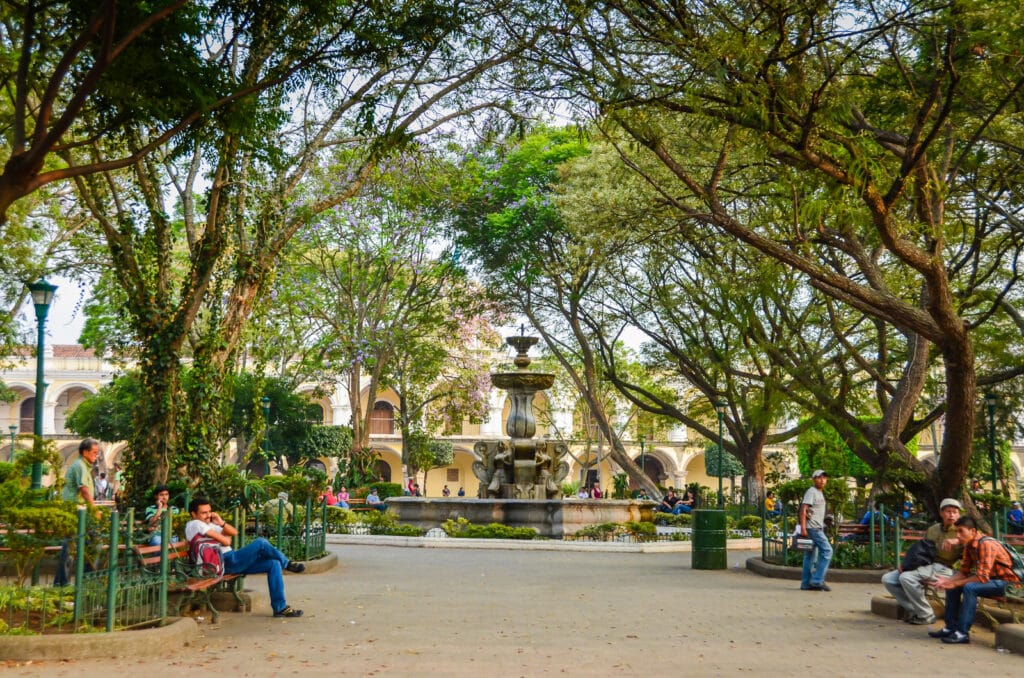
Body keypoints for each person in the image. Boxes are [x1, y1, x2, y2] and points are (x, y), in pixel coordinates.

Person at [185, 497, 305, 618]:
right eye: (204, 512)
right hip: (224, 562)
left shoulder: (208, 525)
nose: (208, 515)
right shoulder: (195, 524)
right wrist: (224, 538)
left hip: (230, 562)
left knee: (274, 564)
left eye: (209, 511)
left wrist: (221, 522)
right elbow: (226, 541)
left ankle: (280, 608)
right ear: (193, 514)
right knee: (261, 543)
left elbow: (233, 532)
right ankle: (287, 564)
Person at [930, 516, 1021, 643]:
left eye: (961, 531)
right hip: (991, 581)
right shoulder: (968, 545)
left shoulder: (986, 544)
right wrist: (948, 582)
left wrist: (955, 582)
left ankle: (962, 633)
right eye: (956, 531)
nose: (957, 535)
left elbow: (981, 577)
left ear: (972, 531)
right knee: (953, 586)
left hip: (1009, 584)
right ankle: (950, 628)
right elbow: (963, 572)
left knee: (970, 588)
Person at [881, 498, 963, 625]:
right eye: (948, 511)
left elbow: (976, 543)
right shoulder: (933, 529)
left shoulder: (962, 531)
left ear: (959, 514)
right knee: (888, 579)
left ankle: (925, 614)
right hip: (926, 566)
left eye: (955, 512)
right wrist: (906, 564)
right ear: (941, 513)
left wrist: (958, 541)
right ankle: (915, 610)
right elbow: (920, 550)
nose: (951, 515)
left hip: (945, 569)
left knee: (906, 578)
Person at [55, 438, 102, 586]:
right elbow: (84, 491)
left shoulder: (85, 466)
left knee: (94, 543)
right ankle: (62, 584)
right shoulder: (80, 466)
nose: (97, 455)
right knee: (71, 548)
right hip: (75, 513)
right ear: (85, 452)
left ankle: (85, 581)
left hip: (82, 514)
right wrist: (94, 510)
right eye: (94, 452)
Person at [799, 469, 833, 592]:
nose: (822, 480)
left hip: (817, 527)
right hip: (813, 528)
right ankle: (817, 580)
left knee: (810, 555)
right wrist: (803, 528)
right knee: (828, 551)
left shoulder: (819, 492)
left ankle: (806, 583)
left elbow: (812, 511)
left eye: (824, 477)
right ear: (814, 479)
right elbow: (803, 509)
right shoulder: (812, 491)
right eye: (819, 477)